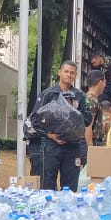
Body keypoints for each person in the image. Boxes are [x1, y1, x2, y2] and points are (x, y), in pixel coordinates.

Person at [34, 60, 90, 192]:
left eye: (72, 73)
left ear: (75, 75)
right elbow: (35, 120)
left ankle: (67, 212)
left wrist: (74, 114)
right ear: (59, 72)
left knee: (70, 188)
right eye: (66, 71)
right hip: (51, 145)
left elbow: (87, 119)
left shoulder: (80, 96)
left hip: (72, 146)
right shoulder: (48, 94)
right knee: (47, 185)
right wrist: (50, 135)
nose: (69, 75)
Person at [84, 74, 109, 147]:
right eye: (105, 82)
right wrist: (90, 146)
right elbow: (88, 126)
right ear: (100, 82)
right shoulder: (92, 100)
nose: (105, 85)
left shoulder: (88, 98)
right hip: (89, 141)